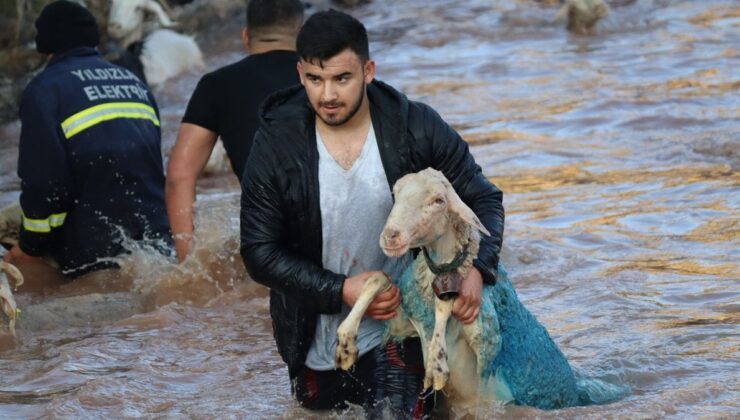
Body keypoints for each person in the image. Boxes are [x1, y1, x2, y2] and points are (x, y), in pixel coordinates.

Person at [240, 10, 505, 418]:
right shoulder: (276, 144)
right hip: (315, 337)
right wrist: (340, 290)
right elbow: (259, 252)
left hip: (402, 327)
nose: (327, 95)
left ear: (368, 70)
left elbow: (483, 200)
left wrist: (477, 270)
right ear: (299, 74)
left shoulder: (414, 127)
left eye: (341, 79)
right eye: (315, 79)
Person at [3, 1, 172, 278]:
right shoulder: (133, 81)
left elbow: (46, 185)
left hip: (94, 249)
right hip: (157, 236)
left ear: (45, 44)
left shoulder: (45, 90)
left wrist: (30, 247)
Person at [165, 0, 304, 262]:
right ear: (302, 34)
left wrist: (188, 268)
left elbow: (178, 178)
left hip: (266, 239)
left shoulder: (216, 85)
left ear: (245, 36)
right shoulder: (326, 79)